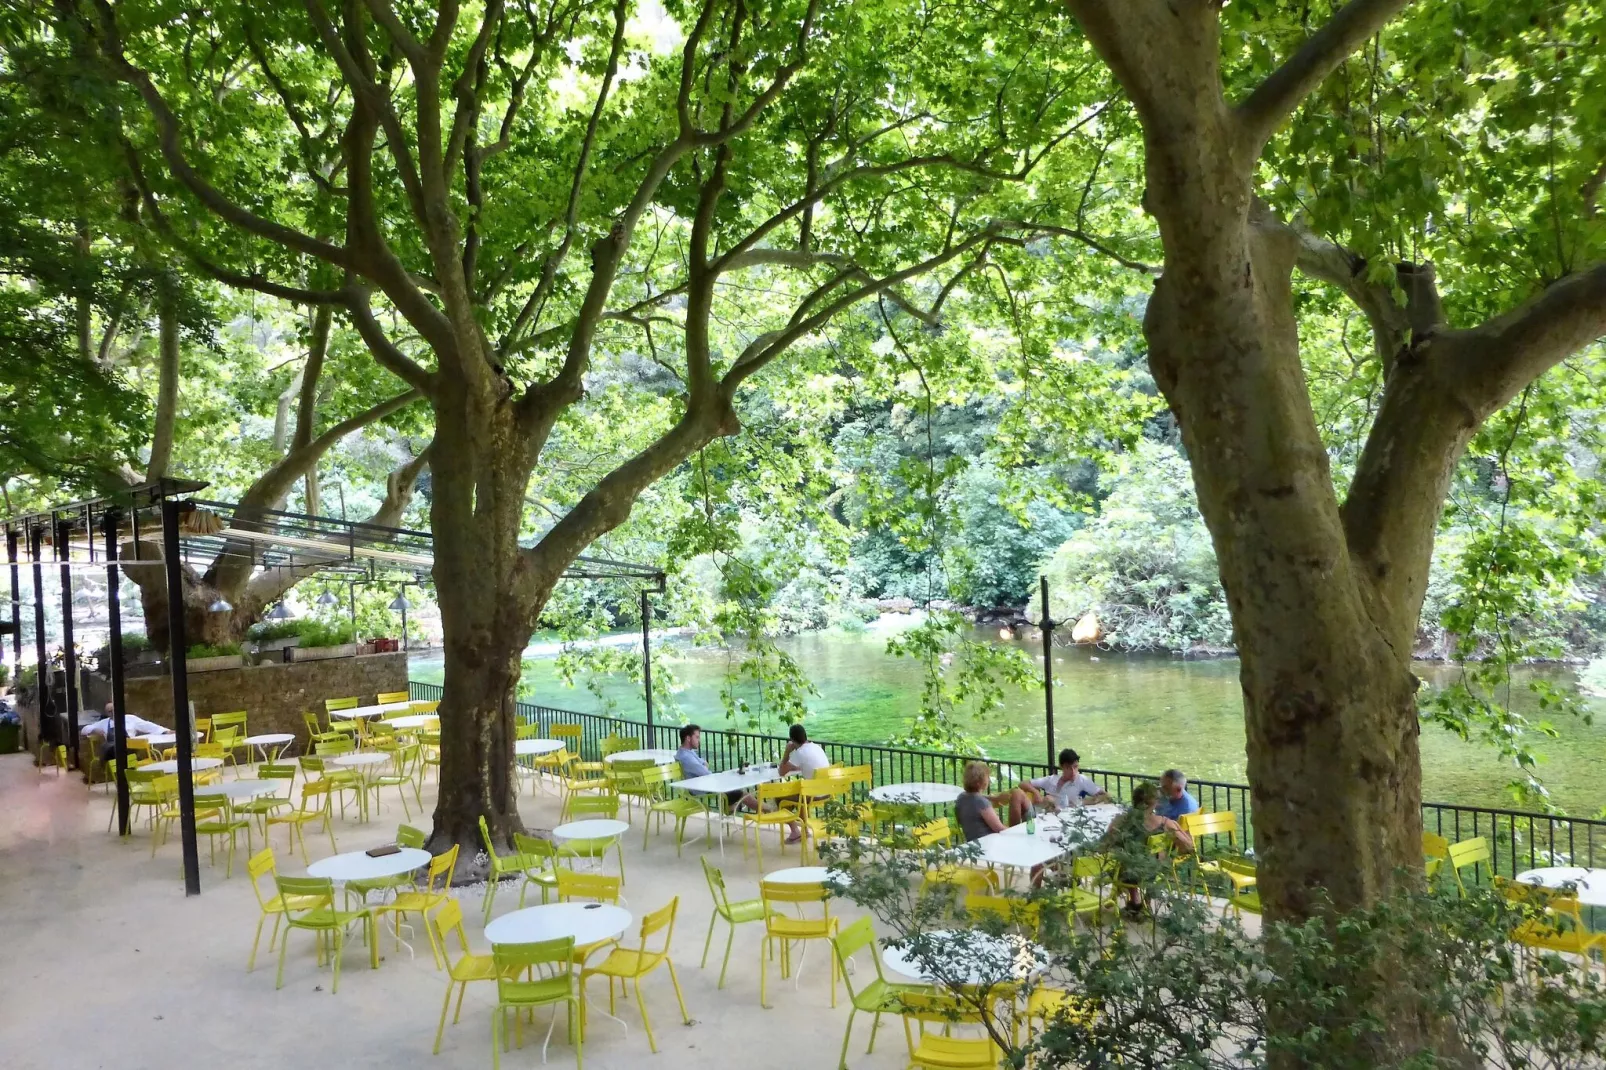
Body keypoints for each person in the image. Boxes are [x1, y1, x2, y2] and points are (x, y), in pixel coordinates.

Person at [1103, 781, 1194, 912]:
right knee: (1158, 856)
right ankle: (1147, 901)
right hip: (1154, 872)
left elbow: (1105, 844)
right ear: (1155, 803)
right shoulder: (1165, 822)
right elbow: (1189, 847)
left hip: (1125, 873)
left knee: (1125, 857)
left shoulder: (1121, 820)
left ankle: (1134, 900)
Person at [1009, 748, 1110, 824]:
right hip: (1040, 815)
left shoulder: (1081, 780)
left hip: (1062, 819)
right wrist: (1035, 792)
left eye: (1075, 767)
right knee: (1017, 794)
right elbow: (1022, 784)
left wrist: (1083, 802)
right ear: (1061, 767)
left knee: (1049, 799)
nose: (1073, 771)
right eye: (1068, 768)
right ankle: (1013, 830)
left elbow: (1105, 795)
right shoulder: (1052, 779)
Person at [675, 723, 755, 812]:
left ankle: (731, 806)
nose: (699, 740)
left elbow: (704, 763)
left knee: (732, 784)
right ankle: (765, 809)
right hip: (702, 787)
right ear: (688, 738)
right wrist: (705, 766)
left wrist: (704, 766)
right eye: (697, 737)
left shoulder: (686, 752)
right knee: (740, 793)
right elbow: (706, 772)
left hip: (703, 783)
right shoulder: (687, 757)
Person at [79, 702, 168, 761]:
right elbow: (84, 730)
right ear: (107, 713)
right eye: (110, 711)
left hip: (131, 749)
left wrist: (165, 731)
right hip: (113, 752)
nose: (113, 713)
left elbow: (148, 726)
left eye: (114, 710)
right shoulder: (104, 723)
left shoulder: (130, 719)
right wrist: (94, 729)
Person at [955, 761, 1007, 842]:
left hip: (971, 843)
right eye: (987, 777)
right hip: (987, 844)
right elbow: (999, 829)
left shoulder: (961, 798)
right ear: (979, 782)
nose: (989, 780)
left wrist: (992, 798)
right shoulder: (981, 802)